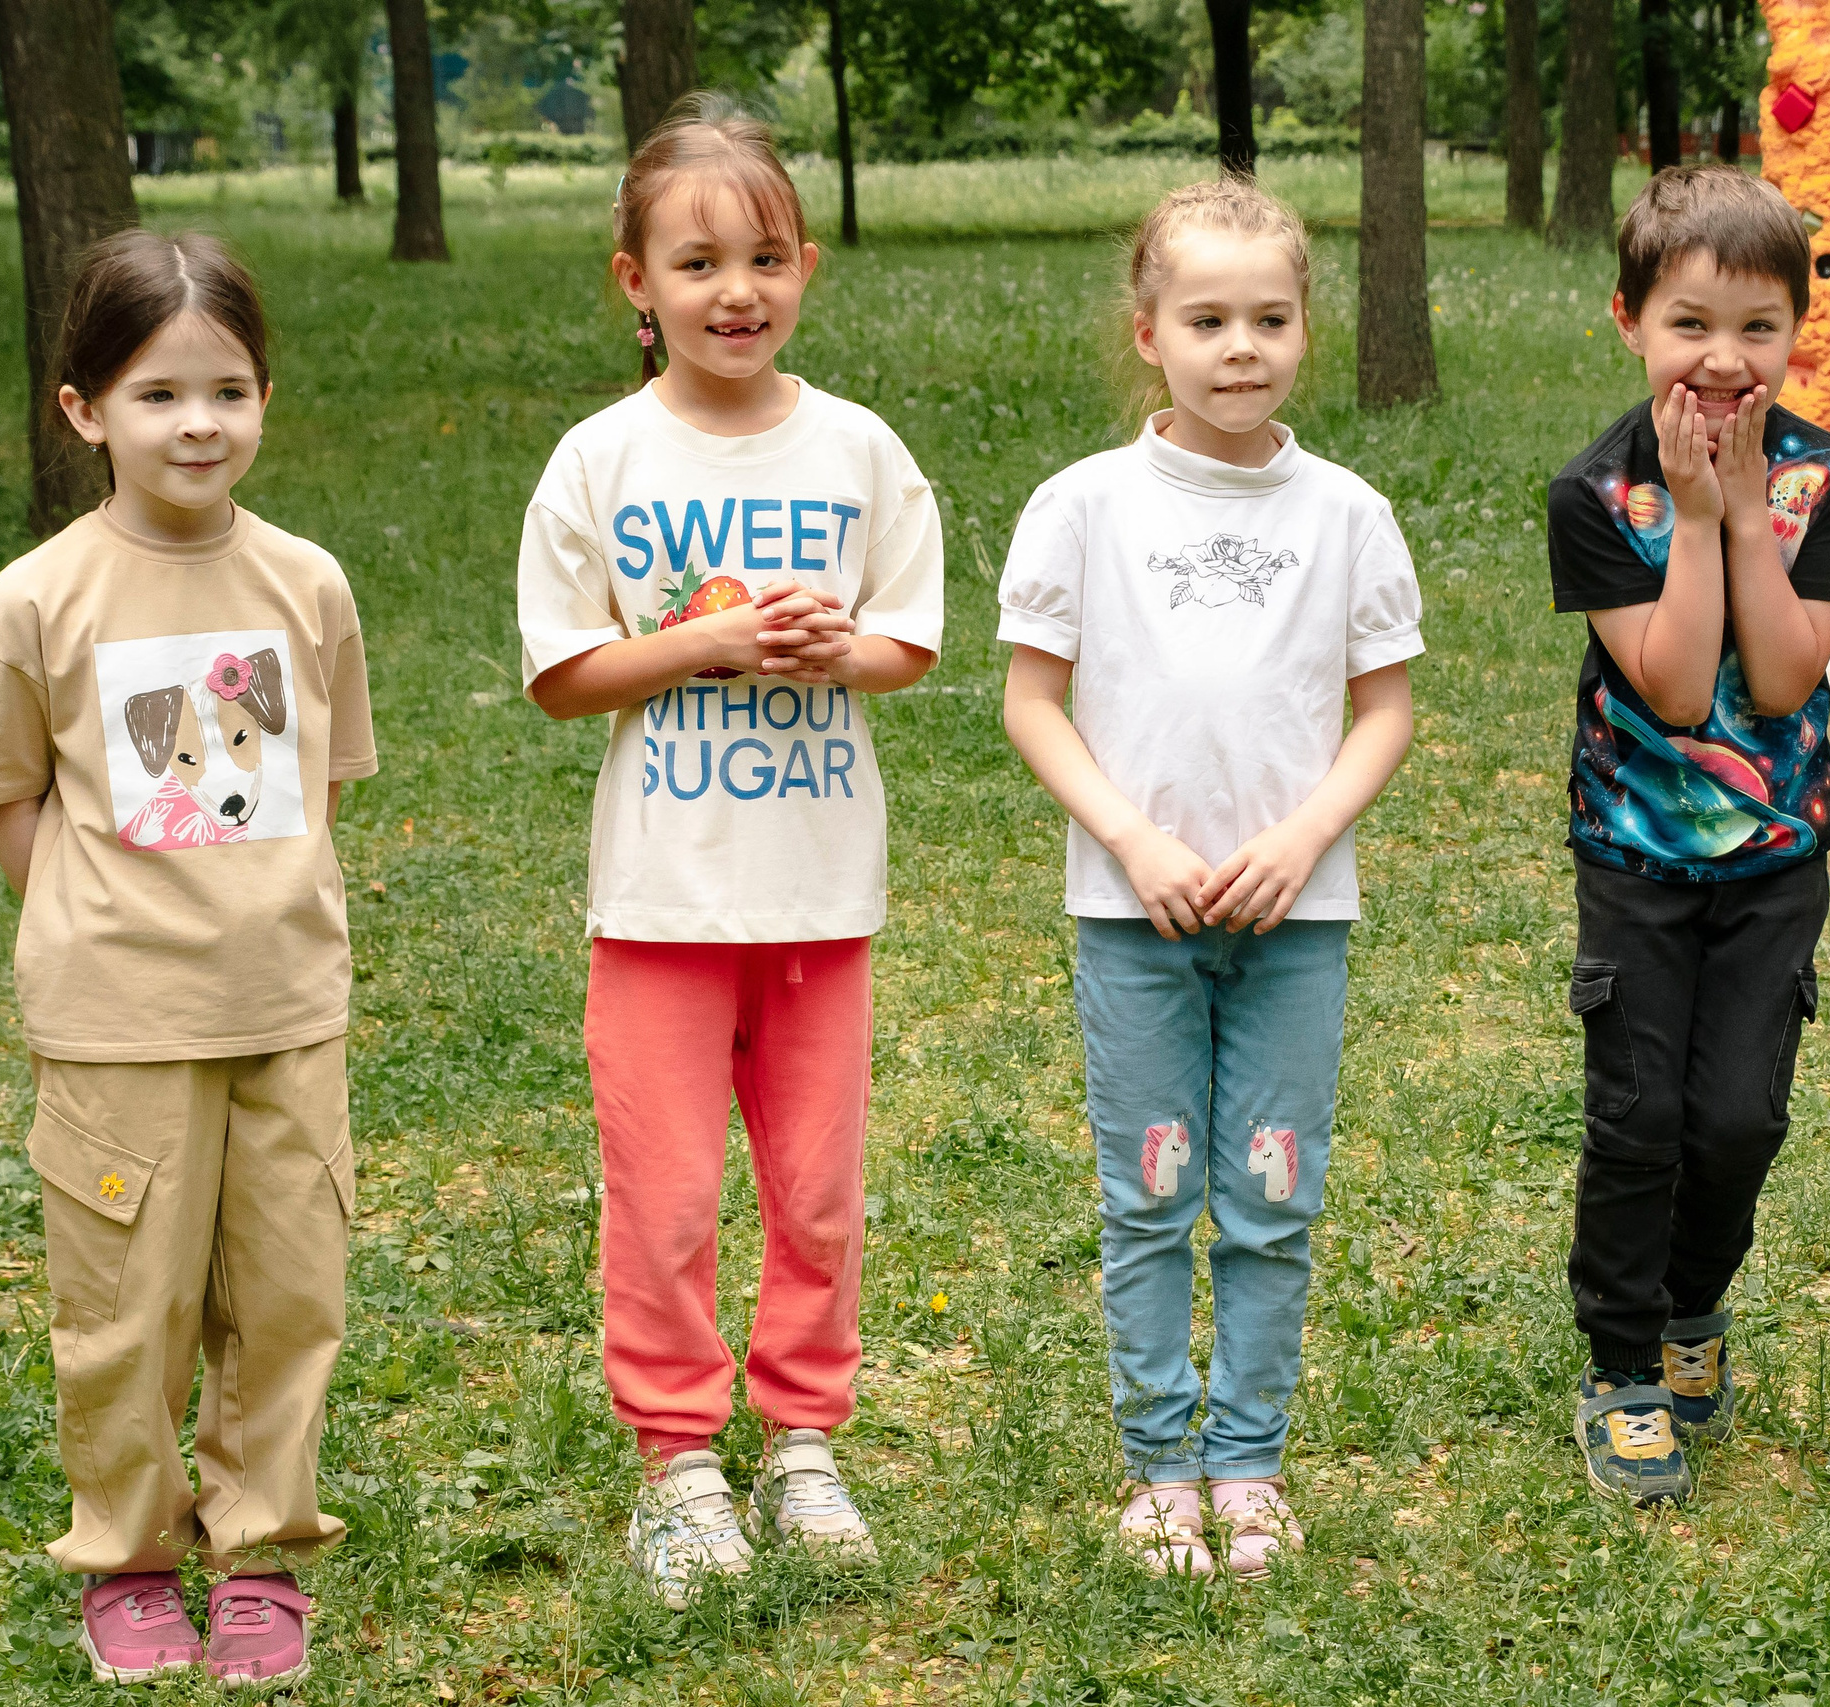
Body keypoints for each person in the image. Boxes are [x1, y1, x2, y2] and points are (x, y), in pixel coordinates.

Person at [516, 100, 942, 1609]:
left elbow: (909, 639)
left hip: (821, 893)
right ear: (635, 281)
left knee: (820, 1192)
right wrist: (698, 640)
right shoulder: (600, 457)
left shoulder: (859, 450)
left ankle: (806, 1437)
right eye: (697, 262)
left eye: (765, 255)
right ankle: (680, 1461)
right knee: (670, 1192)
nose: (736, 288)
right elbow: (563, 673)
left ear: (807, 266)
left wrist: (840, 648)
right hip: (660, 901)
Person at [0, 231, 376, 1686]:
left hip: (284, 1007)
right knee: (125, 1311)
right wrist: (92, 921)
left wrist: (271, 903)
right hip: (117, 1022)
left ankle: (260, 1552)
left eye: (230, 389)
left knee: (287, 1290)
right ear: (82, 412)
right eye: (156, 394)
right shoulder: (36, 599)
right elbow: (13, 796)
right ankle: (129, 1554)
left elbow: (321, 780)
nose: (199, 422)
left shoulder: (309, 584)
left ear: (263, 399)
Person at [999, 177, 1421, 1577]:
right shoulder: (1082, 507)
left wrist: (1306, 837)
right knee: (1152, 1191)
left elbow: (1384, 711)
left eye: (1271, 316)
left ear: (1305, 328)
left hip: (1297, 925)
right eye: (1208, 317)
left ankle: (1247, 1463)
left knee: (1270, 1189)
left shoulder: (1349, 514)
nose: (1241, 344)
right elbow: (1033, 702)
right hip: (1137, 920)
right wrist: (1133, 835)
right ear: (1148, 332)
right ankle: (1157, 1468)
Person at [1547, 167, 1830, 1507]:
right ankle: (1624, 1363)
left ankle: (1694, 1307)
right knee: (1639, 1116)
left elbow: (1784, 680)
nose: (1723, 359)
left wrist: (1745, 506)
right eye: (1689, 324)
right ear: (1629, 319)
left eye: (1755, 326)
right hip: (1635, 860)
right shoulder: (1596, 491)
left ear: (1797, 329)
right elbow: (1677, 689)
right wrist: (1689, 508)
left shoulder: (1827, 478)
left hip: (1775, 862)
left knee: (1737, 1116)